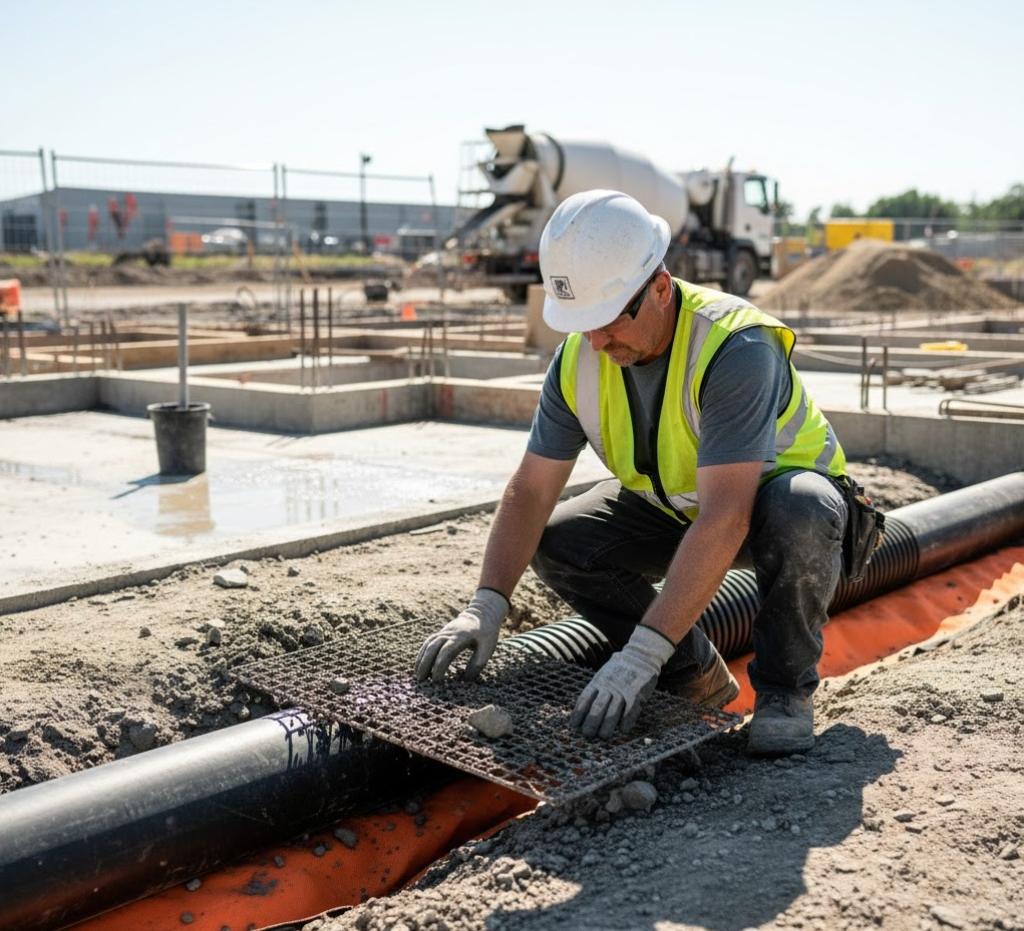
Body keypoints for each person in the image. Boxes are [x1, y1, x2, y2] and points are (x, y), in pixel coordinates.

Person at [415, 189, 850, 755]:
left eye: (607, 321)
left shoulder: (735, 347)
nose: (595, 341)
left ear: (660, 289)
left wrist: (639, 655)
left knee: (802, 507)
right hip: (680, 508)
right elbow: (532, 488)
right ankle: (695, 677)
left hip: (779, 511)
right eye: (583, 324)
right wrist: (487, 603)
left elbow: (727, 516)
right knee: (562, 540)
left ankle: (785, 693)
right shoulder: (579, 357)